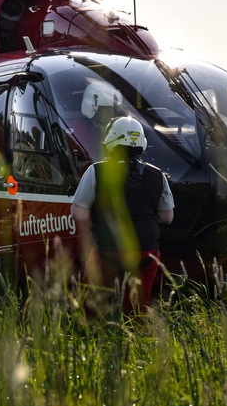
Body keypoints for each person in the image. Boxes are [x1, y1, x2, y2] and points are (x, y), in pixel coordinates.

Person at [70, 116, 174, 311]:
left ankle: (92, 331)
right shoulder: (158, 175)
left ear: (111, 141)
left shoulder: (96, 171)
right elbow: (167, 217)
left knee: (91, 302)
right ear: (141, 143)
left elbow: (78, 213)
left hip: (108, 249)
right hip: (147, 252)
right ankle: (135, 334)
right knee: (137, 308)